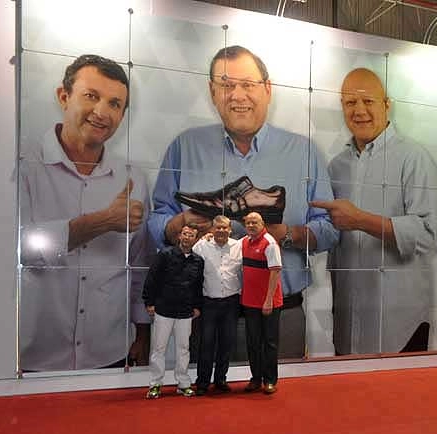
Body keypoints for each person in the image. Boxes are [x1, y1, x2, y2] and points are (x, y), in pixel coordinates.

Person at [148, 45, 339, 359]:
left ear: (267, 89)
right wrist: (179, 224)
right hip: (205, 312)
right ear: (212, 92)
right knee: (207, 405)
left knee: (279, 401)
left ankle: (250, 196)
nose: (237, 95)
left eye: (247, 85)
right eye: (226, 85)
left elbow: (330, 230)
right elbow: (156, 223)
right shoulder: (185, 146)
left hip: (279, 311)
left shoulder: (303, 152)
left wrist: (285, 235)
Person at [18, 54, 154, 371]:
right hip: (33, 354)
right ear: (63, 97)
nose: (102, 112)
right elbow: (14, 248)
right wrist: (101, 222)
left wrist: (142, 332)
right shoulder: (23, 165)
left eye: (115, 104)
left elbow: (138, 264)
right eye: (91, 96)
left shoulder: (133, 178)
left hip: (111, 351)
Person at [312, 68, 437, 355]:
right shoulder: (335, 167)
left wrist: (360, 220)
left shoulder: (413, 158)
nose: (359, 111)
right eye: (350, 103)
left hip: (401, 324)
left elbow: (426, 235)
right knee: (349, 398)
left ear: (386, 104)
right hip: (347, 320)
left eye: (368, 101)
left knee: (401, 399)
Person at [142, 224, 204, 399]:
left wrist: (197, 306)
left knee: (183, 349)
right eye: (185, 234)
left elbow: (198, 287)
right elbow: (152, 279)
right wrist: (149, 302)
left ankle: (183, 384)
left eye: (191, 235)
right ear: (179, 236)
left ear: (195, 239)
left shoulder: (198, 261)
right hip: (163, 309)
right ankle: (155, 385)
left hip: (185, 312)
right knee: (158, 349)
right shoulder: (165, 255)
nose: (187, 237)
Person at [192, 215, 242, 395]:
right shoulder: (201, 246)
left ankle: (220, 379)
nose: (221, 230)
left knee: (226, 343)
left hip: (231, 303)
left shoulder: (239, 246)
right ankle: (202, 383)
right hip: (209, 303)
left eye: (224, 228)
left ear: (230, 229)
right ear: (212, 230)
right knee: (206, 343)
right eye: (218, 228)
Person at [240, 212, 283, 394]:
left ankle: (270, 380)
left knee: (270, 343)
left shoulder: (270, 243)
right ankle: (256, 378)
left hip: (269, 304)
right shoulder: (242, 242)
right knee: (253, 342)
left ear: (262, 223)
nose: (251, 225)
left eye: (254, 222)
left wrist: (268, 301)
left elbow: (275, 273)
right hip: (250, 302)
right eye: (248, 222)